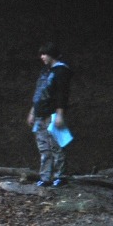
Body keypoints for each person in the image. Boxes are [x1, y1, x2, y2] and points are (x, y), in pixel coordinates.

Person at [25, 43, 72, 188]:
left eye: (44, 54)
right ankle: (45, 177)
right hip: (40, 114)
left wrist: (59, 114)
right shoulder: (45, 71)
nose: (42, 57)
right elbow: (39, 92)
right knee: (44, 147)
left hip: (51, 114)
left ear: (51, 54)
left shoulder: (61, 71)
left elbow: (62, 94)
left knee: (56, 146)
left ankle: (60, 176)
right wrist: (32, 111)